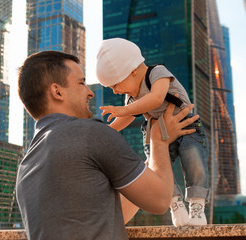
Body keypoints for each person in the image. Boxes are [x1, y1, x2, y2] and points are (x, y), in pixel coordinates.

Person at [16, 50, 200, 240]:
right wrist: (159, 140)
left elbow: (110, 214)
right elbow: (160, 200)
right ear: (57, 91)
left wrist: (148, 163)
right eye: (81, 83)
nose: (90, 93)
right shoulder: (90, 133)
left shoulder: (25, 167)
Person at [96, 38, 210, 227]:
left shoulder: (157, 73)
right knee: (156, 171)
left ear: (132, 70)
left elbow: (156, 99)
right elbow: (129, 115)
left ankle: (197, 206)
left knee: (194, 162)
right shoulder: (131, 96)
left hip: (186, 127)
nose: (115, 91)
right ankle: (175, 203)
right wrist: (108, 131)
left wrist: (124, 110)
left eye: (115, 85)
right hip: (156, 131)